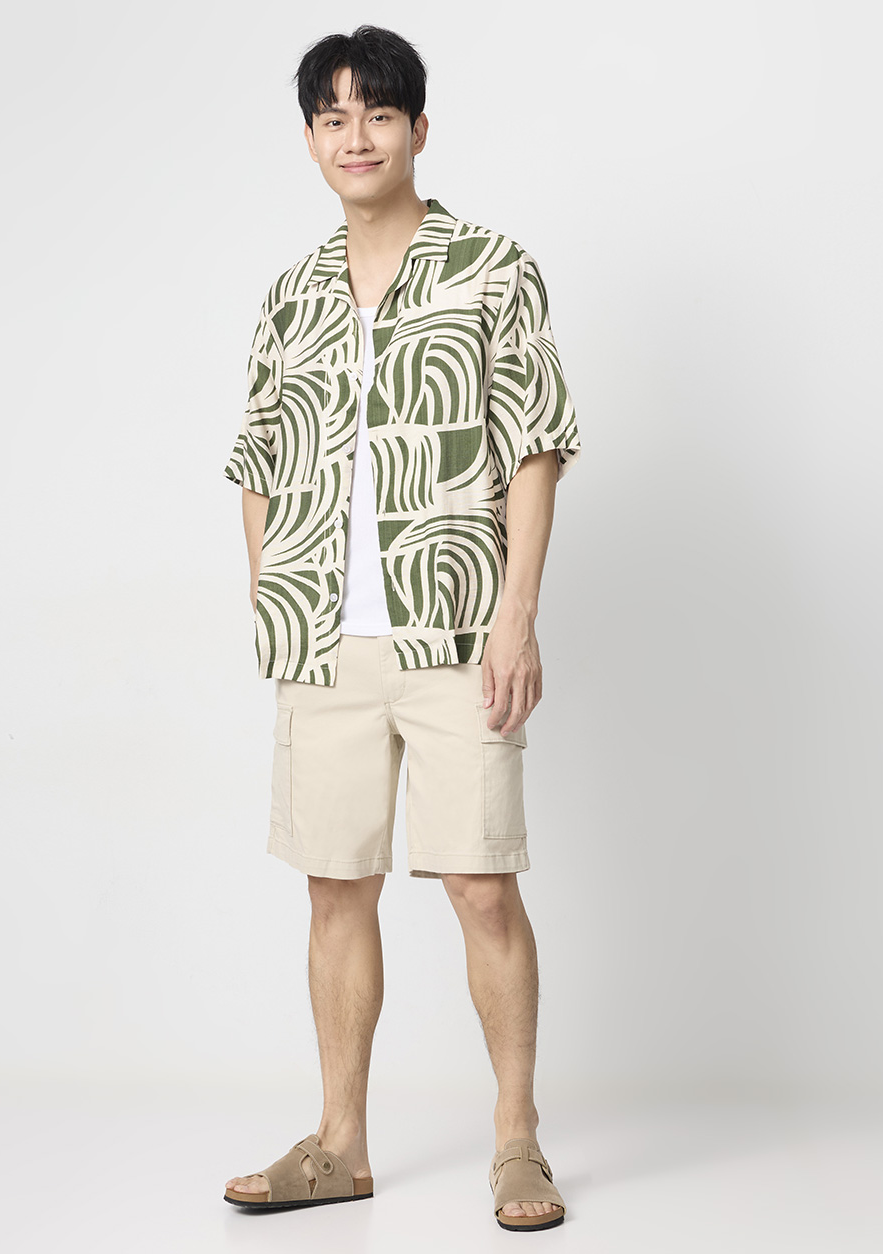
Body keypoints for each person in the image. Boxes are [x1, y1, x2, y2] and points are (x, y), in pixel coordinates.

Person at [221, 25, 581, 1232]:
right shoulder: (292, 294)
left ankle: (516, 1141)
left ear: (418, 128)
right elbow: (257, 456)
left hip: (456, 634)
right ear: (310, 140)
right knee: (335, 890)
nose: (356, 136)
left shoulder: (491, 268)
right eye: (332, 117)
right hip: (324, 642)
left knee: (479, 885)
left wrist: (516, 616)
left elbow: (535, 443)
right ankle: (340, 1146)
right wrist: (272, 593)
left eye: (376, 113)